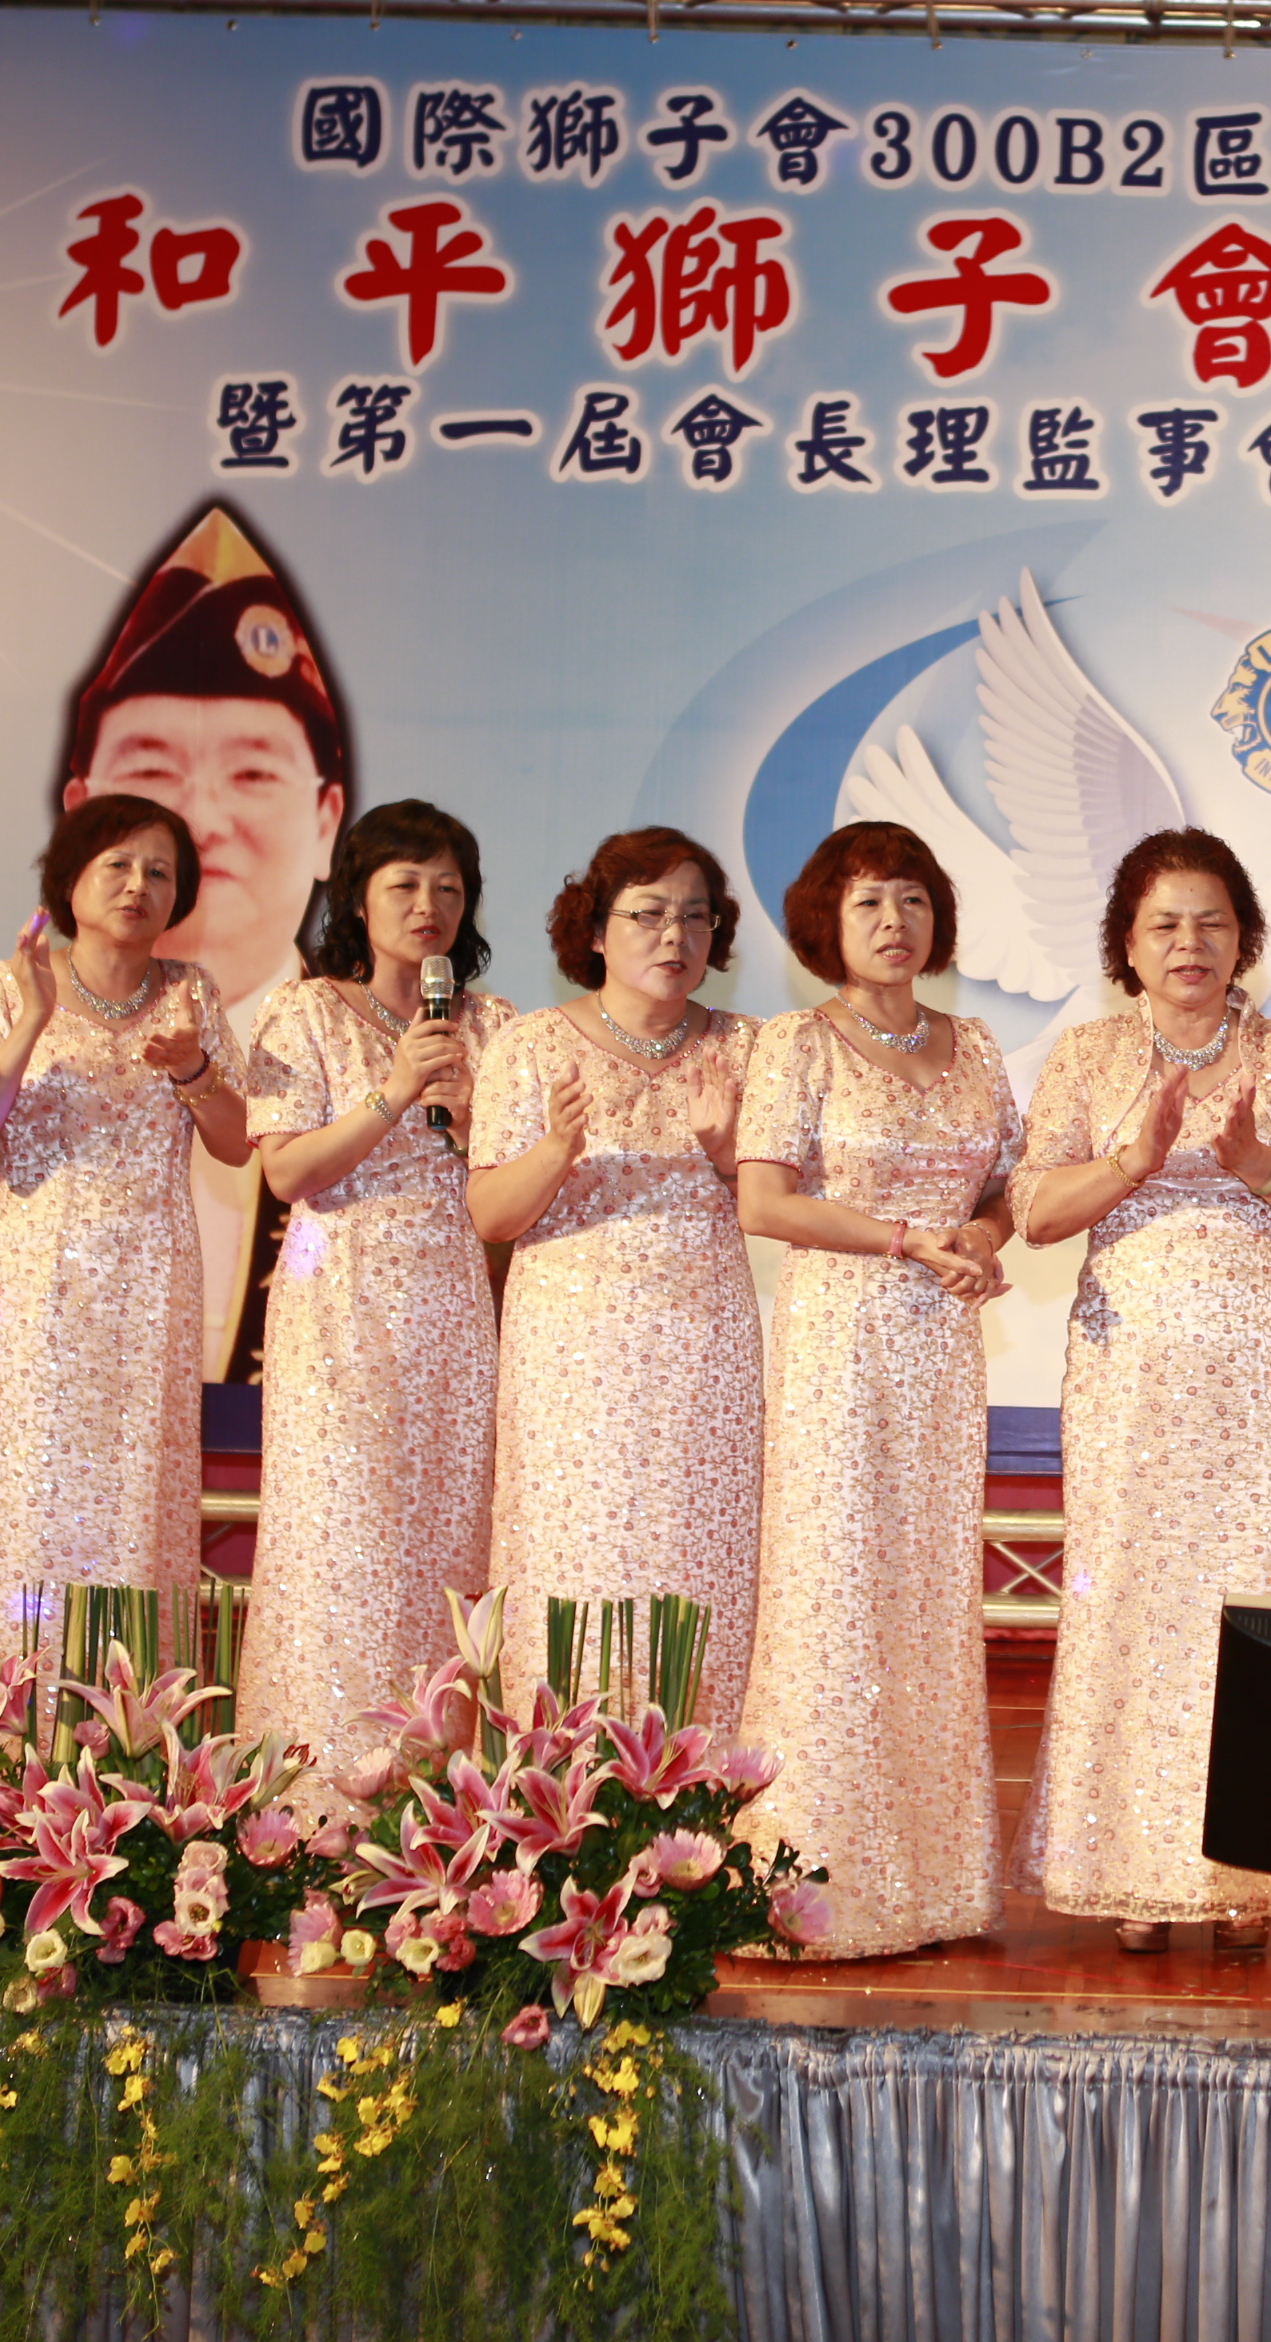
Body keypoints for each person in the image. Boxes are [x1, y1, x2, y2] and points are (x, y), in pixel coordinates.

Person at [1011, 829, 1271, 1955]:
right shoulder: (1088, 1056)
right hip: (1126, 1359)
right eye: (1163, 923)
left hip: (1245, 1360)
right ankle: (1127, 1866)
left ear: (1245, 936)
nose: (1189, 942)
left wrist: (1260, 1163)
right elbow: (1032, 1211)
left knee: (1241, 1605)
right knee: (1123, 1595)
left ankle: (1239, 1867)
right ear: (1127, 944)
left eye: (1211, 921)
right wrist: (1132, 1160)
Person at [734, 821, 1022, 1960]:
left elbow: (1007, 1183)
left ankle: (934, 1882)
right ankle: (816, 1883)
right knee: (834, 1587)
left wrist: (980, 1239)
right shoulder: (797, 1042)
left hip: (942, 1342)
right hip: (840, 1339)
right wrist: (905, 1239)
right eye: (866, 902)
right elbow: (764, 1201)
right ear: (827, 924)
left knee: (926, 1592)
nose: (893, 921)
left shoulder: (976, 1043)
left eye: (910, 898)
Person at [0, 796, 250, 1704]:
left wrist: (193, 1070)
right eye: (118, 864)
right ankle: (11, 1722)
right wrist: (31, 1020)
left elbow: (238, 1144)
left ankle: (131, 1723)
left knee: (141, 1497)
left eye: (160, 871)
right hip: (37, 1282)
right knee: (30, 1492)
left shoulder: (190, 994)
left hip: (153, 1281)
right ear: (70, 877)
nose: (138, 885)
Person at [229, 800, 510, 1780]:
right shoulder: (304, 1011)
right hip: (338, 1304)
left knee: (446, 1536)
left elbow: (513, 1182)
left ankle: (433, 1775)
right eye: (405, 884)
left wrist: (469, 1119)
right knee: (341, 1533)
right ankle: (317, 1775)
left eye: (449, 886)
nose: (429, 905)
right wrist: (393, 1091)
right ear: (357, 898)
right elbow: (287, 1171)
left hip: (453, 1306)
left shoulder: (496, 1026)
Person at [467, 829, 764, 1736]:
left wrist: (727, 1151)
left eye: (695, 917)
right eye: (648, 914)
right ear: (595, 931)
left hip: (706, 1348)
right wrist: (557, 1149)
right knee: (577, 1556)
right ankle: (559, 1777)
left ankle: (692, 1781)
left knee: (695, 1553)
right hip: (573, 1358)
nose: (675, 935)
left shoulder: (750, 1048)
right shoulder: (530, 1047)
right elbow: (490, 1216)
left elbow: (783, 1207)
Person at [57, 507, 352, 1382]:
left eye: (253, 772)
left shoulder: (365, 1057)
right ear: (80, 811)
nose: (200, 822)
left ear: (326, 820)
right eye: (153, 771)